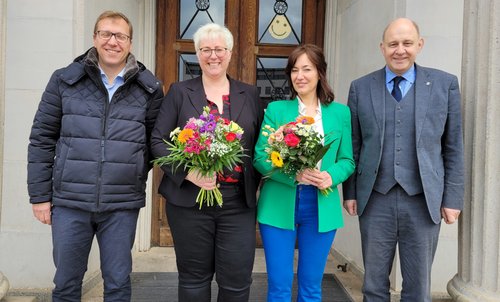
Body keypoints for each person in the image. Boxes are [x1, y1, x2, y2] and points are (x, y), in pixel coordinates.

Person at [27, 11, 164, 301]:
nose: (113, 41)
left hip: (121, 204)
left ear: (130, 42)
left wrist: (134, 173)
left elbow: (154, 144)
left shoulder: (149, 88)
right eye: (106, 34)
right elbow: (41, 139)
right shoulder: (64, 80)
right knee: (66, 284)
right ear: (94, 38)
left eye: (120, 36)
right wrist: (40, 196)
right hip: (69, 203)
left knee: (117, 284)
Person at [343, 18, 464, 301]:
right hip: (375, 199)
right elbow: (354, 144)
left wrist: (453, 199)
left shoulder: (445, 84)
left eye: (407, 43)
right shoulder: (361, 87)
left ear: (419, 45)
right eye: (393, 44)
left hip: (423, 200)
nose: (400, 50)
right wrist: (350, 192)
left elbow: (453, 147)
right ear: (382, 47)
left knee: (418, 288)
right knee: (373, 286)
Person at [151, 23, 263, 301]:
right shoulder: (179, 91)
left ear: (230, 52)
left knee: (237, 281)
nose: (213, 56)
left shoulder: (249, 94)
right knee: (193, 280)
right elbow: (157, 141)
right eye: (206, 50)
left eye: (219, 49)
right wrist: (189, 173)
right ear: (197, 53)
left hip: (237, 203)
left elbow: (260, 144)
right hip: (190, 202)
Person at [253, 44, 355, 301]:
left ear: (320, 72)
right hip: (279, 202)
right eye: (295, 70)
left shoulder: (340, 113)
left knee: (311, 286)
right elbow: (260, 158)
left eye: (307, 69)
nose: (300, 76)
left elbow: (347, 160)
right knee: (279, 285)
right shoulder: (277, 110)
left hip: (321, 203)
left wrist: (330, 175)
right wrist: (292, 175)